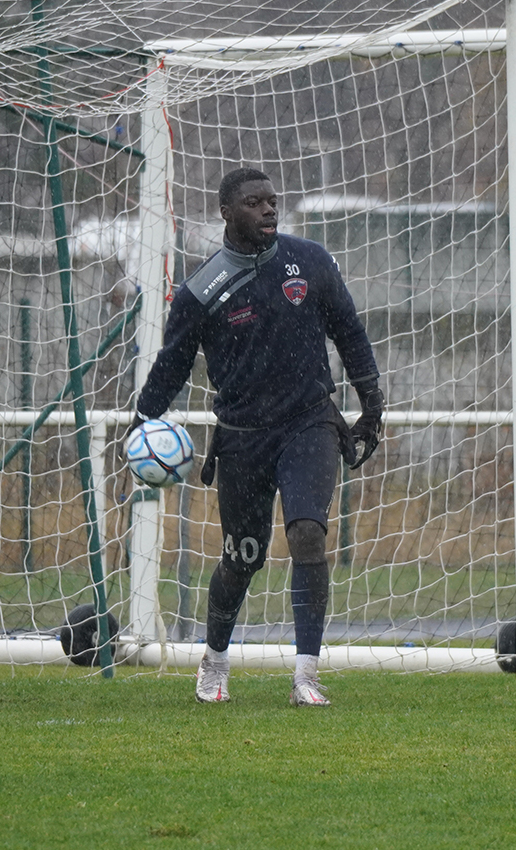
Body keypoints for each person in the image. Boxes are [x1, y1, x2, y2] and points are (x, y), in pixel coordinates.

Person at [131, 167, 383, 707]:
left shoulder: (309, 261)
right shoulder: (201, 290)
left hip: (310, 423)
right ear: (227, 211)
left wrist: (371, 406)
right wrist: (141, 421)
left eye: (272, 201)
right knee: (242, 557)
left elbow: (350, 331)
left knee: (309, 534)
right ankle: (215, 659)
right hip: (242, 438)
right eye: (254, 202)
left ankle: (306, 676)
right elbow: (171, 367)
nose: (268, 210)